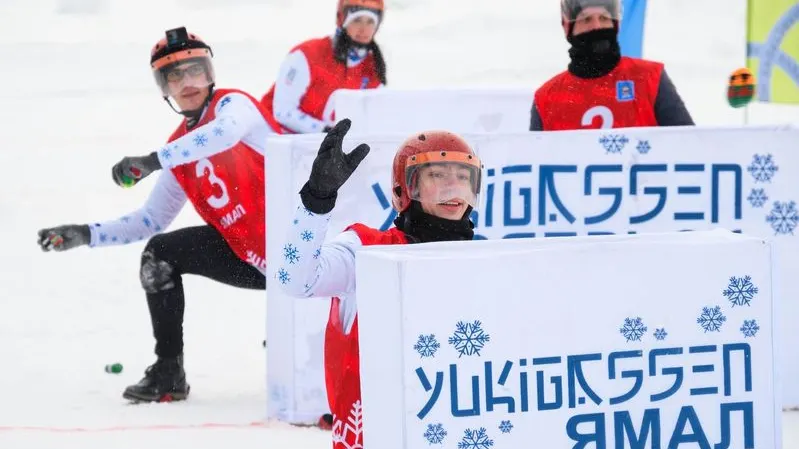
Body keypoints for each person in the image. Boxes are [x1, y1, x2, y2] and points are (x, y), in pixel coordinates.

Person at [36, 26, 281, 403]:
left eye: (196, 70)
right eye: (174, 76)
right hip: (252, 258)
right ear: (164, 89)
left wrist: (152, 161)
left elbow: (225, 134)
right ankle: (169, 370)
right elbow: (150, 220)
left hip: (302, 250)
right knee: (160, 254)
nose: (188, 83)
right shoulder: (177, 152)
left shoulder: (234, 106)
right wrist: (86, 233)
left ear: (211, 74)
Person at [274, 119, 482, 448]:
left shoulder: (487, 260)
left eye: (461, 176)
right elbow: (296, 280)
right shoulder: (367, 250)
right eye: (437, 175)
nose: (451, 188)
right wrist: (317, 201)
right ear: (404, 189)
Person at [530, 0, 694, 131]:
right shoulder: (546, 99)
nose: (597, 27)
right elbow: (533, 165)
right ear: (567, 27)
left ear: (616, 24)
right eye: (586, 19)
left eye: (604, 18)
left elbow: (688, 147)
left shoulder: (650, 78)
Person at [260, 0, 387, 134]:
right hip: (268, 137)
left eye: (370, 22)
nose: (364, 29)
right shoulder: (307, 54)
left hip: (316, 145)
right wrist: (326, 131)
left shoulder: (373, 68)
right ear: (342, 20)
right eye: (357, 20)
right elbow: (282, 112)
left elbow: (372, 120)